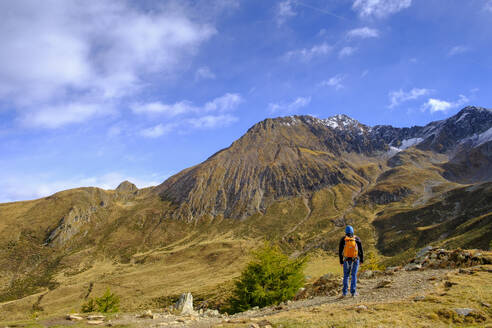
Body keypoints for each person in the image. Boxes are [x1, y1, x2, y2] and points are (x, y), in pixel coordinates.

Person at [338, 225, 364, 297]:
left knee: (346, 276)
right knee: (353, 275)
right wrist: (361, 259)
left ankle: (344, 293)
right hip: (355, 260)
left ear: (345, 232)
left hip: (346, 260)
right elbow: (361, 250)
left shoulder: (343, 239)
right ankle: (353, 292)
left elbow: (340, 251)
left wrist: (341, 261)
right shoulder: (357, 239)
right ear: (352, 231)